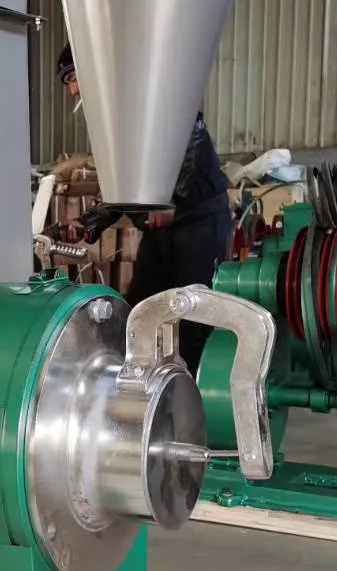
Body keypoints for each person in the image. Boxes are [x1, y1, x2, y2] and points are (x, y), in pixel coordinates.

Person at [57, 42, 231, 375]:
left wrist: (170, 199)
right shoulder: (113, 117)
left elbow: (190, 132)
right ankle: (140, 388)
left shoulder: (144, 96)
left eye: (73, 78)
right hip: (159, 231)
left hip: (198, 223)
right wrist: (90, 222)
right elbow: (123, 182)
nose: (73, 91)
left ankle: (191, 393)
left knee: (193, 317)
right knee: (141, 309)